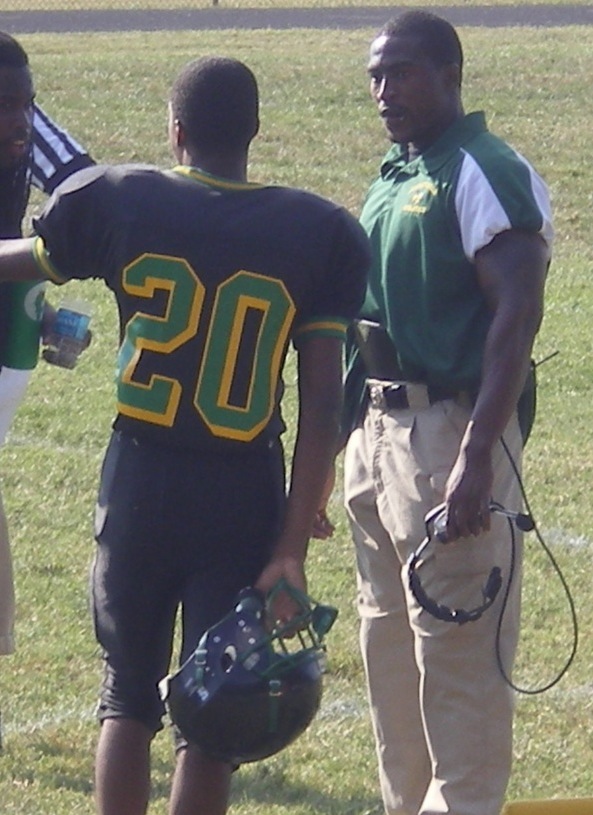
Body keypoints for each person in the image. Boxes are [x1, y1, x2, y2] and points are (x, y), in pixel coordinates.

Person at [0, 55, 370, 815]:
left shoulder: (122, 200)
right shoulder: (320, 230)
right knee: (214, 715)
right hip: (241, 486)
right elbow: (323, 405)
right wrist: (291, 545)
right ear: (255, 132)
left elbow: (28, 260)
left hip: (140, 480)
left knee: (125, 697)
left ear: (175, 134)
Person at [329, 11, 552, 815]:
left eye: (401, 73)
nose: (383, 91)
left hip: (450, 433)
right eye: (374, 77)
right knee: (389, 666)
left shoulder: (484, 168)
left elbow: (514, 319)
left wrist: (475, 455)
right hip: (380, 434)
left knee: (456, 671)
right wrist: (344, 444)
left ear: (450, 73)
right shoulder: (395, 170)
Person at [0, 30, 93, 659]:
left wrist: (38, 297)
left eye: (26, 103)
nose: (19, 122)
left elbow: (88, 191)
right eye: (5, 105)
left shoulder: (26, 131)